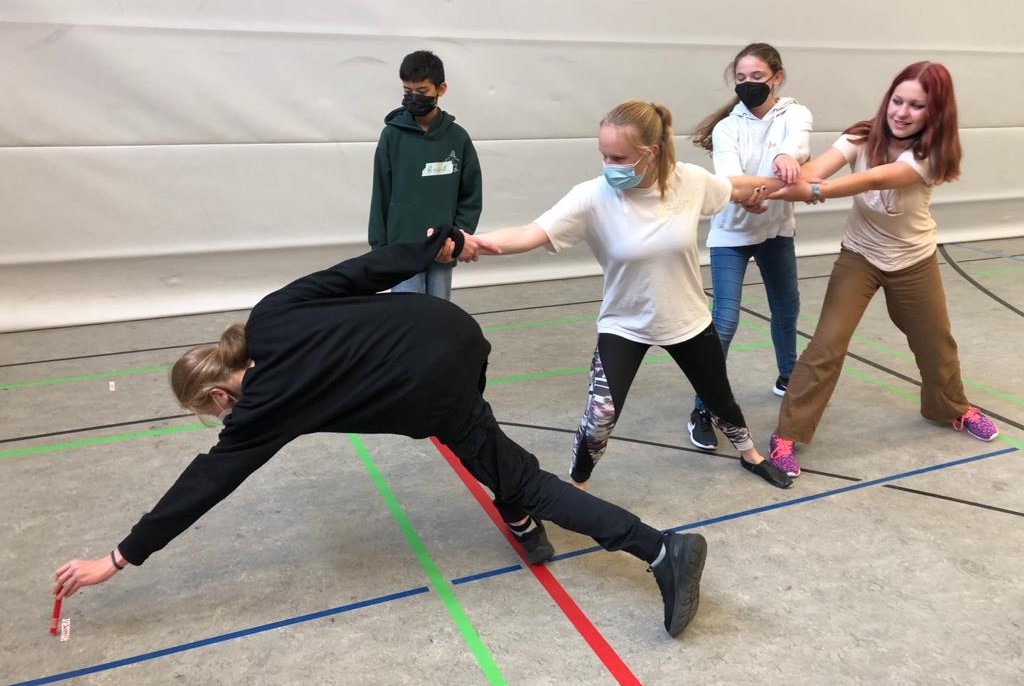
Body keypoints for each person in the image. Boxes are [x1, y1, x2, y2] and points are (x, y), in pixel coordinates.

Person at [53, 227, 708, 639]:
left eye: (215, 412)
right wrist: (434, 245)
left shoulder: (261, 410)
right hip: (451, 329)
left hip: (431, 386)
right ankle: (517, 515)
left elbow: (205, 482)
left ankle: (661, 550)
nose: (224, 422)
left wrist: (119, 557)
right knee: (490, 452)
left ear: (219, 395)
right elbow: (361, 272)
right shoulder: (270, 315)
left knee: (521, 477)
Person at [459, 100, 794, 490]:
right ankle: (578, 486)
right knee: (600, 416)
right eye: (603, 155)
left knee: (719, 399)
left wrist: (778, 188)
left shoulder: (689, 181)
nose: (608, 165)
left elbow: (734, 187)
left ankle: (750, 455)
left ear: (650, 153)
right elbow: (529, 233)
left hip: (687, 320)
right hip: (624, 323)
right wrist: (476, 243)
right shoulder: (591, 197)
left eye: (618, 157)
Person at [765, 61, 999, 478]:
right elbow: (816, 170)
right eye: (897, 100)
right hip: (860, 255)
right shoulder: (861, 136)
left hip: (913, 260)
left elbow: (873, 180)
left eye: (916, 106)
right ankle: (787, 433)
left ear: (935, 113)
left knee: (935, 344)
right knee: (826, 345)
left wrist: (812, 191)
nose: (902, 112)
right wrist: (782, 178)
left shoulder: (930, 155)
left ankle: (952, 407)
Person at [687, 43, 812, 451]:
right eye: (741, 78)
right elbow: (730, 178)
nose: (748, 84)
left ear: (777, 78)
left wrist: (785, 157)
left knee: (787, 309)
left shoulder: (795, 114)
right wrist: (760, 191)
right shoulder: (728, 127)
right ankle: (703, 406)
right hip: (732, 233)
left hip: (776, 230)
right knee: (723, 320)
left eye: (757, 77)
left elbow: (798, 147)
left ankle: (788, 377)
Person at [367, 50, 482, 299]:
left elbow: (471, 195)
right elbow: (381, 193)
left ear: (441, 89)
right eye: (407, 91)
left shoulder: (458, 138)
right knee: (407, 315)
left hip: (442, 249)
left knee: (438, 312)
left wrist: (457, 237)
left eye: (422, 91)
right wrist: (379, 247)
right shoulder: (392, 136)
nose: (413, 98)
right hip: (401, 250)